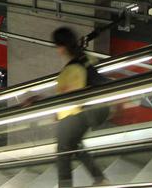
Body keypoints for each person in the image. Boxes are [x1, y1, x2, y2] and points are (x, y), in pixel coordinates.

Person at [53, 27, 107, 187]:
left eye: (57, 46)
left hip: (76, 115)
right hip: (93, 110)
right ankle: (100, 179)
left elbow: (70, 97)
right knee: (75, 145)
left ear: (62, 46)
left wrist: (57, 113)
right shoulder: (85, 58)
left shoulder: (72, 68)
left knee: (63, 153)